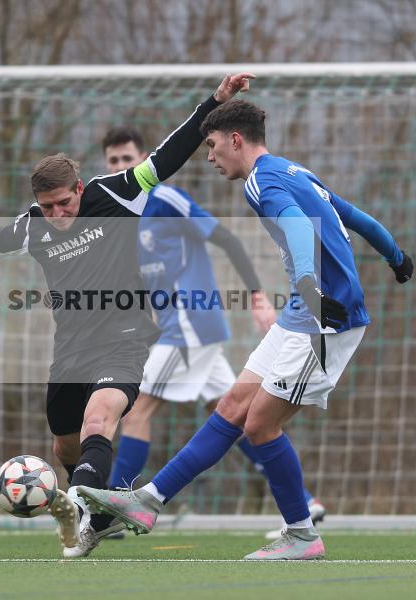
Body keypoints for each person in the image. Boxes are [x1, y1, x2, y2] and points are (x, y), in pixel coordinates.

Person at [0, 73, 254, 558]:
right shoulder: (34, 224)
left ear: (79, 187)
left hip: (126, 336)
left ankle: (82, 512)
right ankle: (98, 508)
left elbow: (168, 154)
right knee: (64, 447)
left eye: (64, 203)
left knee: (101, 419)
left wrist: (215, 101)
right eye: (47, 207)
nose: (57, 214)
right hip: (71, 349)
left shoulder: (115, 192)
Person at [78, 98, 413, 560]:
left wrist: (309, 287)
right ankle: (147, 501)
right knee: (233, 405)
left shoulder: (260, 183)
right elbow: (354, 217)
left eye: (212, 146)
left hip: (325, 320)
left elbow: (298, 227)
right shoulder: (293, 171)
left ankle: (302, 534)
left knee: (258, 425)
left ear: (235, 140)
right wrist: (396, 255)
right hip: (302, 312)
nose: (209, 157)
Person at [100, 127, 327, 540]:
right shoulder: (119, 218)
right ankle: (304, 501)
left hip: (191, 326)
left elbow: (225, 239)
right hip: (180, 329)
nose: (120, 167)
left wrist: (256, 295)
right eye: (113, 161)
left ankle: (112, 508)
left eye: (127, 159)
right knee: (232, 414)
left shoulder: (164, 199)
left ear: (144, 159)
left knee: (137, 409)